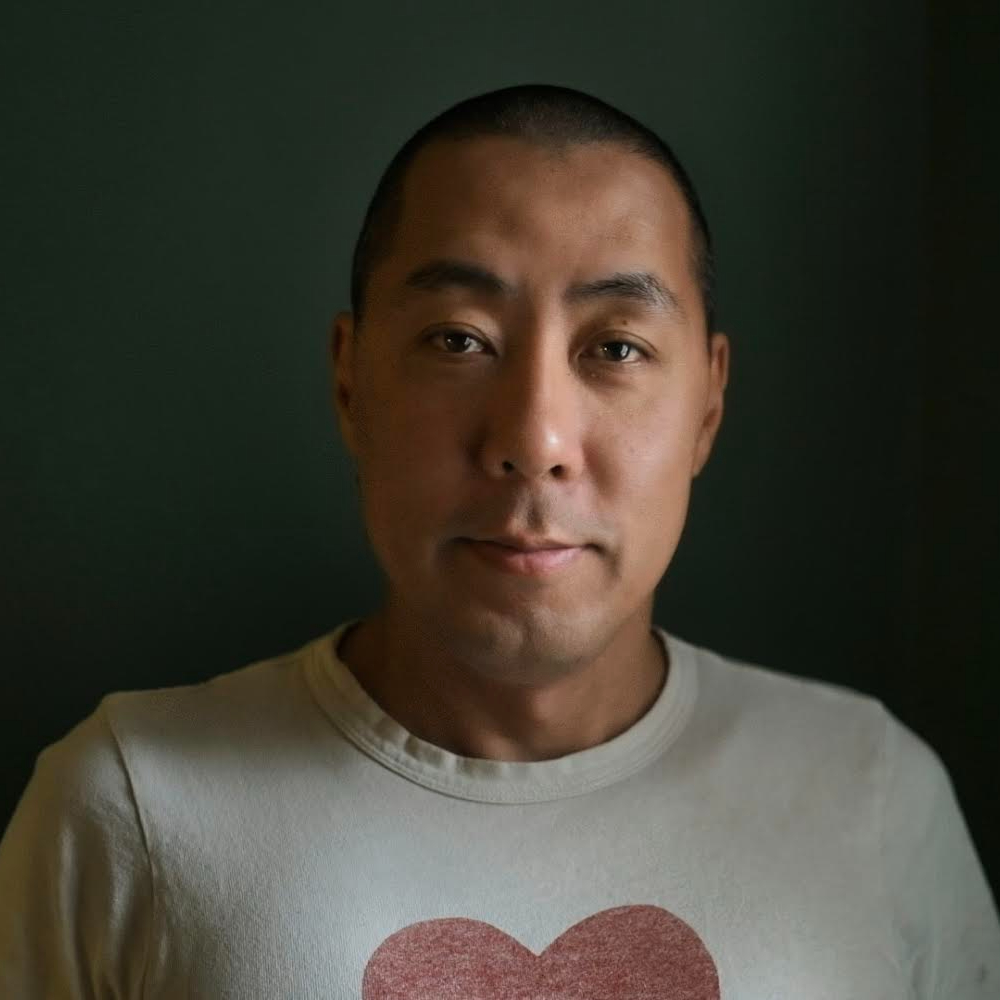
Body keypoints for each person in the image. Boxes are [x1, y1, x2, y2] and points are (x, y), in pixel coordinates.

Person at [1, 83, 998, 999]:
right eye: (458, 340)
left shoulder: (870, 795)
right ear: (350, 382)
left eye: (616, 347)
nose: (534, 439)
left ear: (707, 402)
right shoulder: (129, 806)